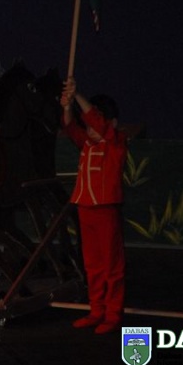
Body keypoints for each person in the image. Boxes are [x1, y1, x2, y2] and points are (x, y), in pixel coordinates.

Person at [60, 76, 127, 335]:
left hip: (106, 211)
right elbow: (69, 125)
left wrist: (77, 94)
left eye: (95, 124)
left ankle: (112, 313)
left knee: (112, 265)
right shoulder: (87, 144)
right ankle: (96, 310)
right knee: (92, 265)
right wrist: (67, 105)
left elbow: (96, 120)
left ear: (112, 123)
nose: (89, 129)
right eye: (87, 126)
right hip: (85, 209)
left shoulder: (115, 143)